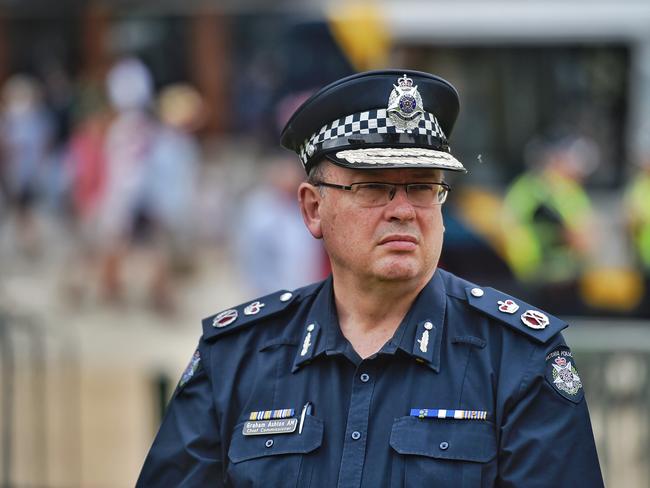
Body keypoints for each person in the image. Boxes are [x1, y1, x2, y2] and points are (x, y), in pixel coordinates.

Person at [137, 70, 603, 487]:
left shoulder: (518, 358)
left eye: (422, 186)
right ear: (313, 208)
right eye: (373, 186)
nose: (402, 210)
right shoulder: (235, 358)